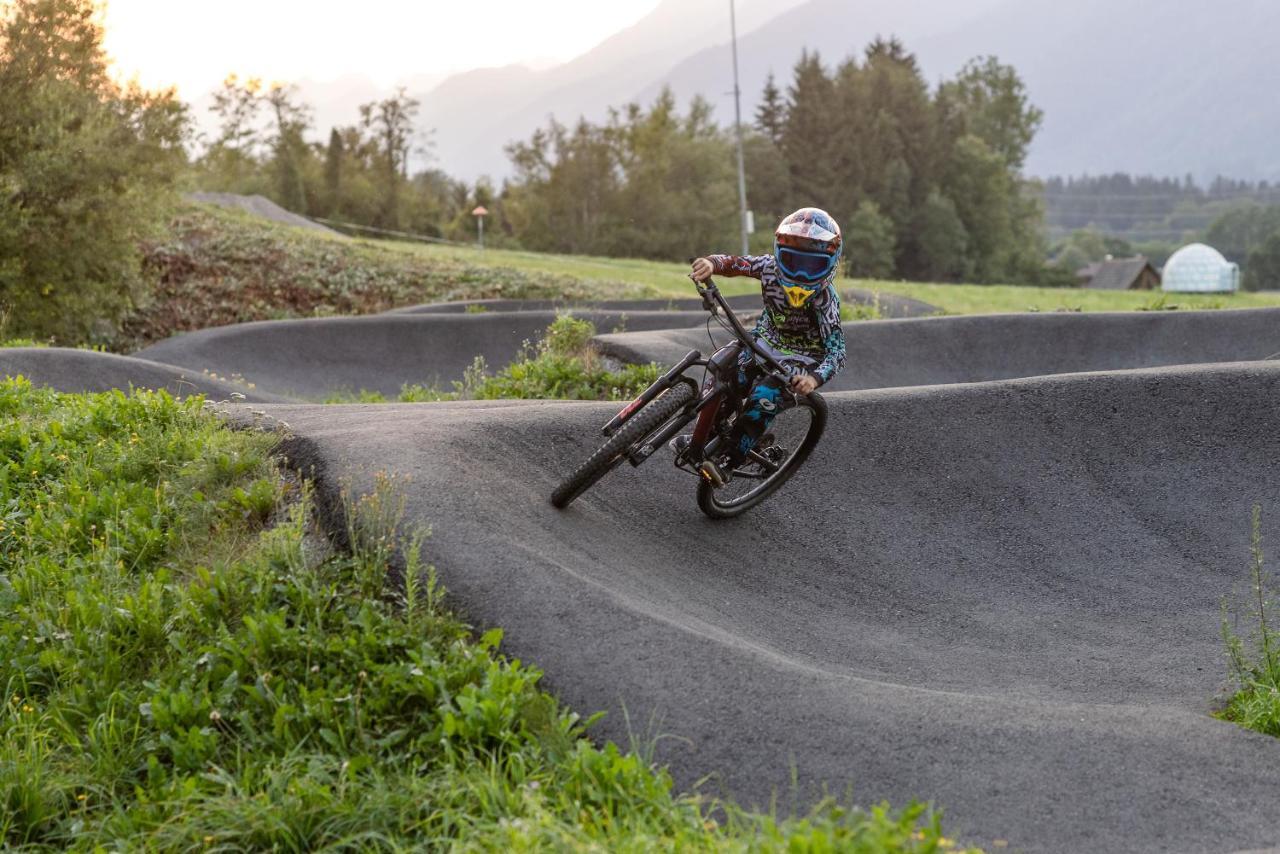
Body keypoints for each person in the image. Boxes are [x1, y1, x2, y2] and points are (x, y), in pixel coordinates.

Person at [681, 206, 847, 483]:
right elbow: (738, 263)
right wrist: (712, 263)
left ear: (830, 262)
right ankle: (707, 433)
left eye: (812, 266)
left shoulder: (825, 300)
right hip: (763, 343)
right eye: (793, 261)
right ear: (781, 254)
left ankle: (729, 462)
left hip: (801, 362)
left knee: (762, 400)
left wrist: (814, 379)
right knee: (723, 370)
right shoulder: (769, 267)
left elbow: (837, 352)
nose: (802, 274)